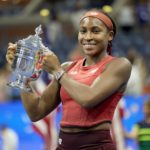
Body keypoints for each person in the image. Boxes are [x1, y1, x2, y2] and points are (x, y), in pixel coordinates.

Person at [6, 9, 132, 150]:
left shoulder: (119, 65)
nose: (88, 36)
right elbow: (36, 112)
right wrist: (22, 75)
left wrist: (57, 71)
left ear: (110, 35)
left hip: (96, 146)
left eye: (95, 31)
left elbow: (88, 99)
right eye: (83, 31)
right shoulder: (67, 68)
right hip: (63, 145)